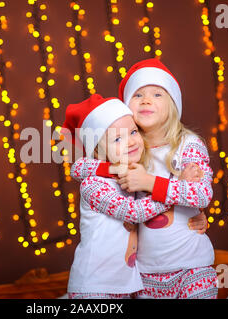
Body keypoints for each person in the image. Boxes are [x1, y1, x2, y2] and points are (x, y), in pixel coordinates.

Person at [70, 58, 218, 299]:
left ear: (173, 104)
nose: (147, 100)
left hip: (192, 264)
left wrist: (149, 183)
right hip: (144, 275)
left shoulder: (187, 145)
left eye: (158, 94)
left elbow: (201, 194)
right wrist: (178, 191)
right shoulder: (129, 153)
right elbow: (94, 172)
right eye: (138, 95)